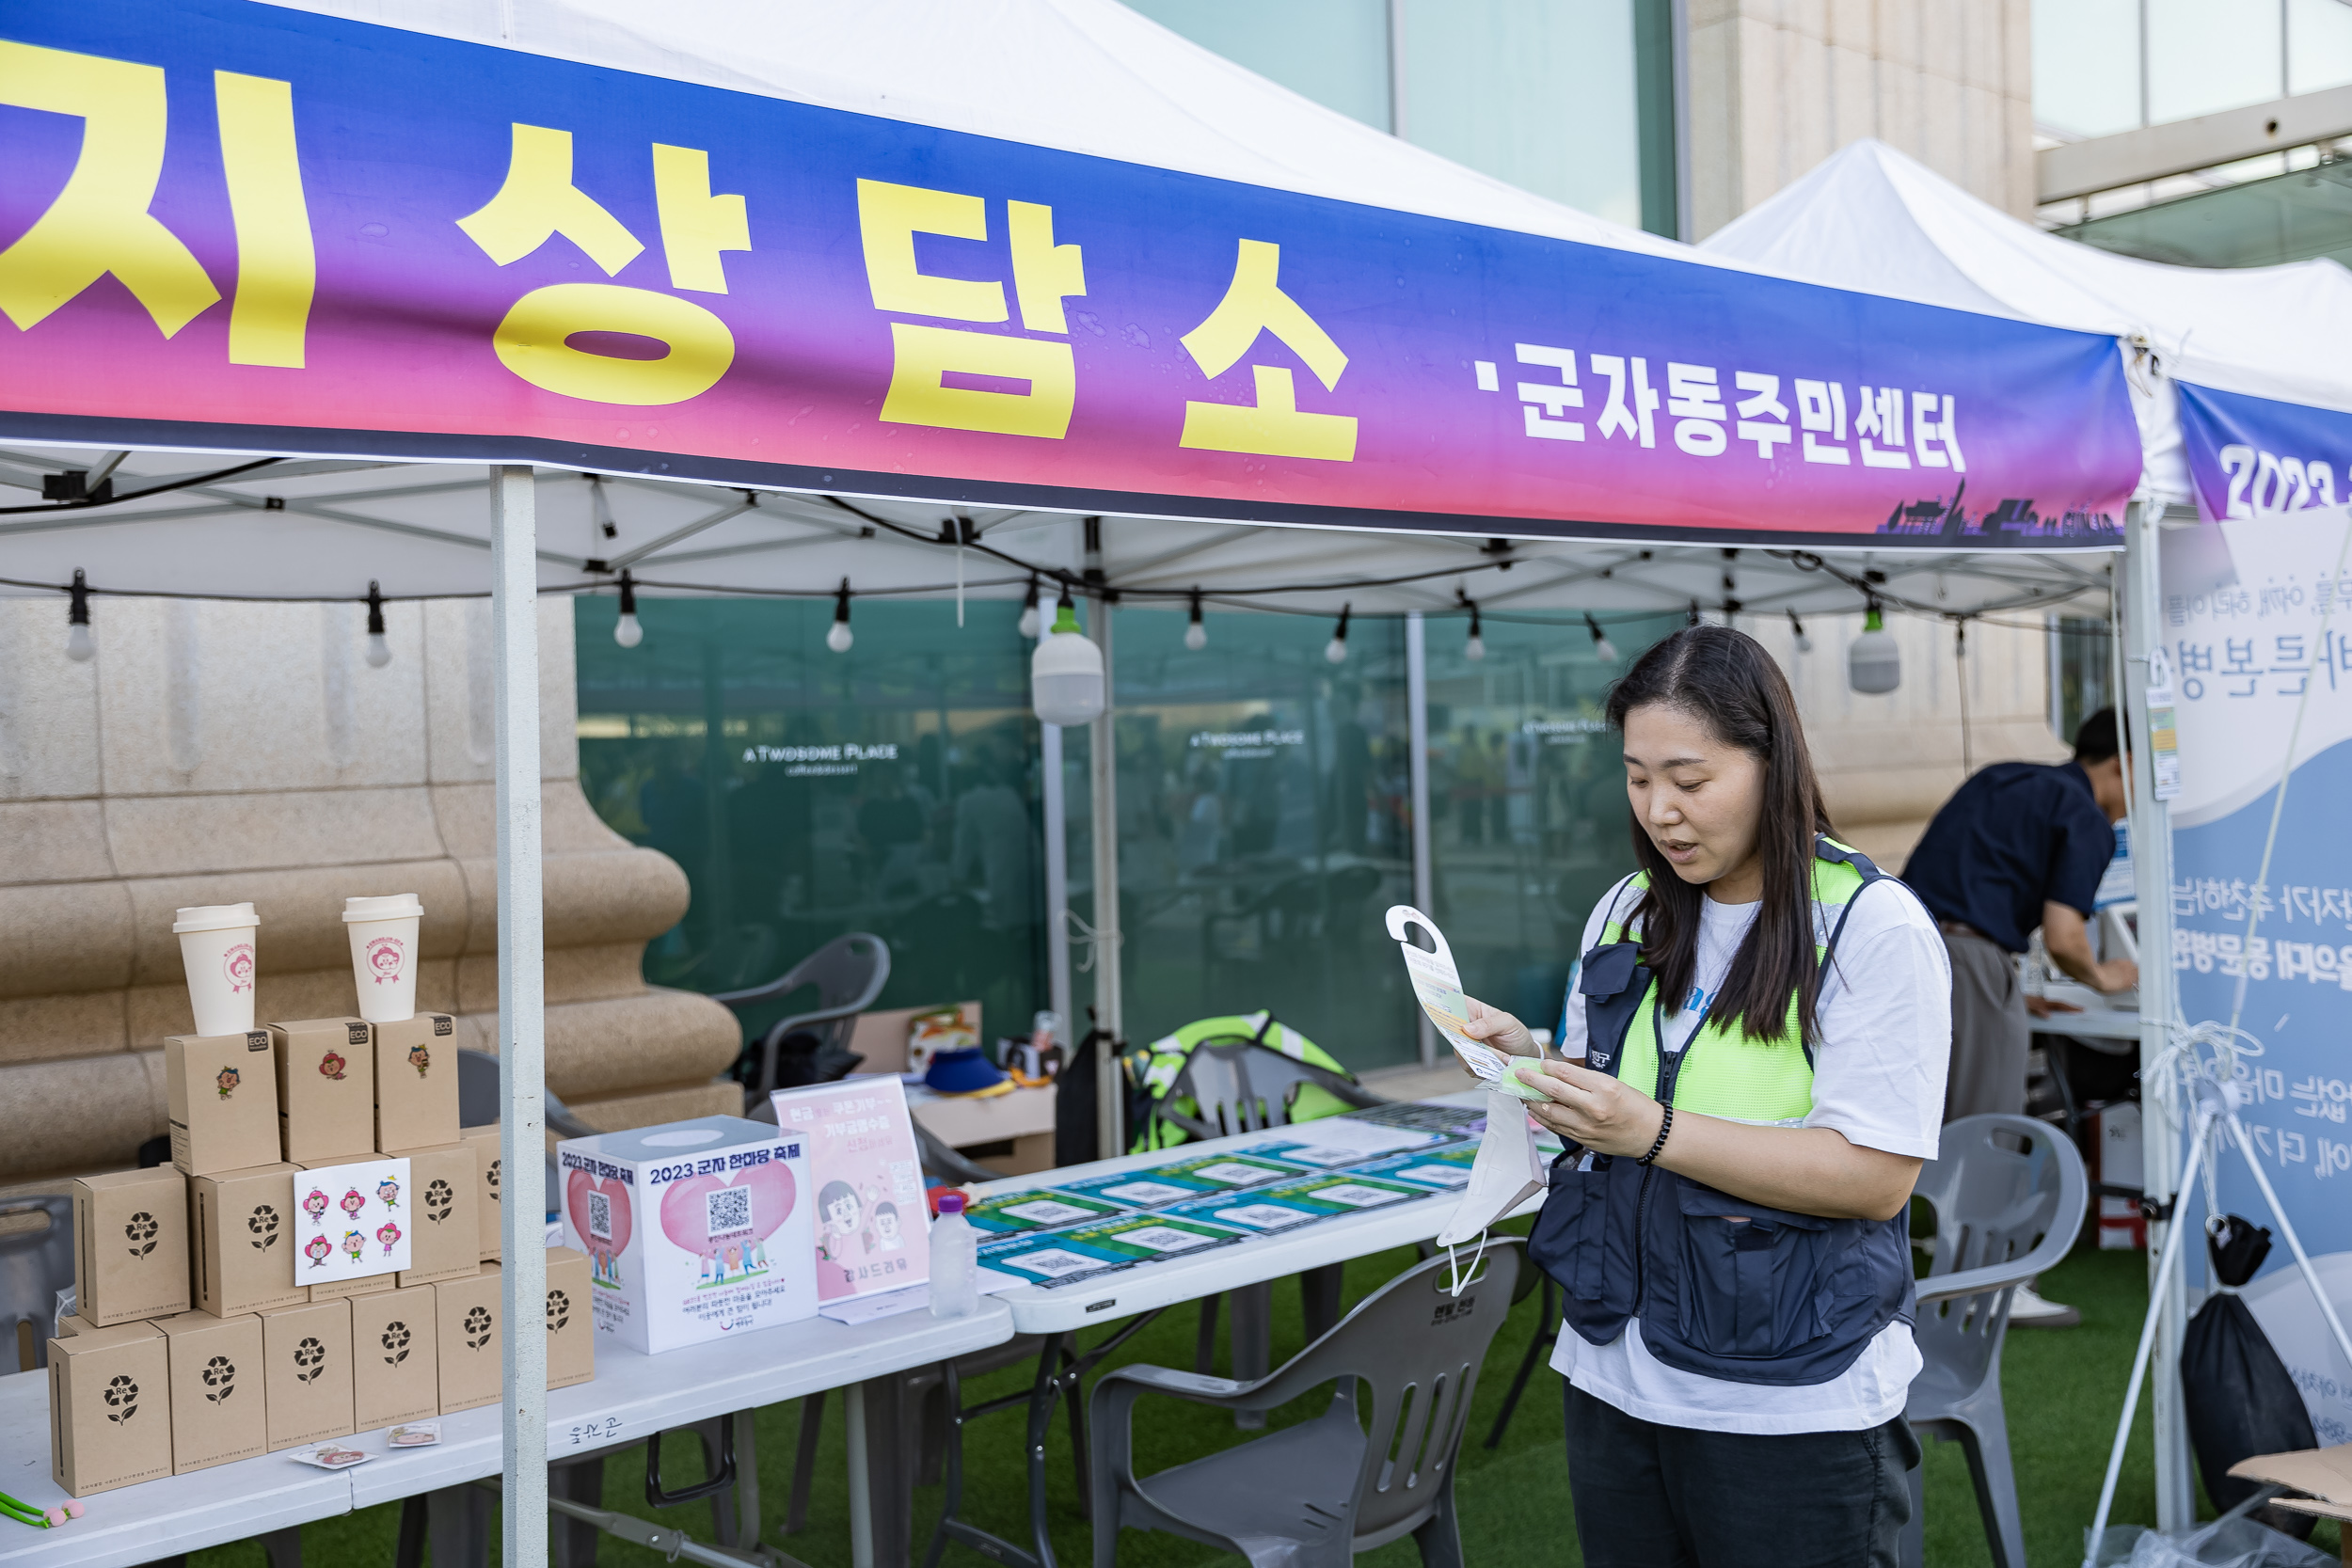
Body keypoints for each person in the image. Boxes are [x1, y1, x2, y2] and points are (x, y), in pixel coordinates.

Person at [1463, 626, 1948, 1568]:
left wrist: (1651, 1130)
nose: (1660, 812)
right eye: (1638, 778)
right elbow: (1609, 1090)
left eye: (1690, 781)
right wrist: (1529, 1061)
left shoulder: (1869, 924)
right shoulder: (1625, 909)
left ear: (1772, 762)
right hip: (1612, 1371)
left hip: (1793, 1394)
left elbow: (1877, 1178)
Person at [1898, 706, 2134, 1329]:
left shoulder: (2004, 777)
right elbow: (2064, 937)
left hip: (1912, 954)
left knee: (1927, 1123)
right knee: (1990, 1126)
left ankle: (1937, 1268)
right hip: (1975, 961)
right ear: (2123, 763)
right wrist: (2109, 977)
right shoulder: (2087, 817)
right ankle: (1983, 1285)